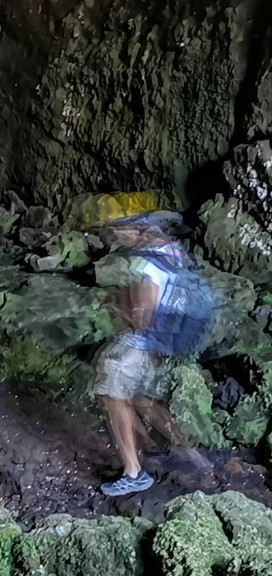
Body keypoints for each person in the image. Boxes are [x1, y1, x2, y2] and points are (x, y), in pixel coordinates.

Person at [93, 212, 207, 497]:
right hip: (165, 344)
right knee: (143, 399)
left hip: (140, 344)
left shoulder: (146, 262)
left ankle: (134, 473)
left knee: (113, 397)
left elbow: (143, 316)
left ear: (137, 230)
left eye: (119, 229)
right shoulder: (173, 252)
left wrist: (114, 306)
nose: (115, 235)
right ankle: (194, 458)